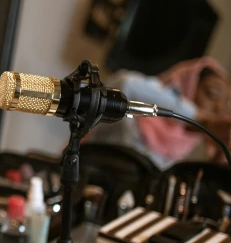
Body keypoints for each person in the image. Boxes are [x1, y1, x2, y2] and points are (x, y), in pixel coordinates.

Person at [87, 57, 231, 169]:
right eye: (212, 94)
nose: (217, 110)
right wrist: (197, 117)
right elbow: (124, 84)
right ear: (188, 83)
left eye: (225, 106)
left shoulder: (177, 155)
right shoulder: (133, 114)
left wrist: (219, 159)